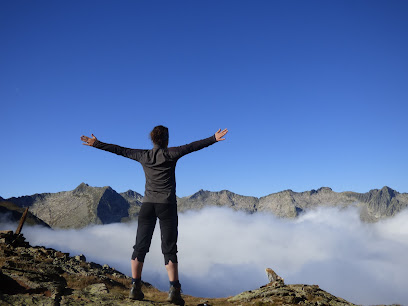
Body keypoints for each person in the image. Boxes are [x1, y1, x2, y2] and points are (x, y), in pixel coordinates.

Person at [80, 126, 228, 305]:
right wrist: (213, 138)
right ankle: (174, 290)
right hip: (167, 206)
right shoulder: (172, 153)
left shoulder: (143, 155)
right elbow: (192, 146)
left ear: (152, 139)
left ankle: (135, 287)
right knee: (169, 248)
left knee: (140, 247)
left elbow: (120, 150)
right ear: (166, 139)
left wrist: (97, 144)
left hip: (148, 206)